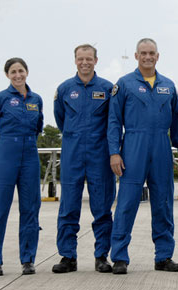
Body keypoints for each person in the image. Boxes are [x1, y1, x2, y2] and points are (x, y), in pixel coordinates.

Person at [108, 38, 178, 274]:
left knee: (163, 202)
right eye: (143, 53)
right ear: (136, 56)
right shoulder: (124, 84)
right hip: (133, 146)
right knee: (126, 203)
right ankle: (120, 257)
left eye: (151, 53)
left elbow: (177, 120)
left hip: (162, 147)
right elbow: (113, 121)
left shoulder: (169, 85)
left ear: (158, 56)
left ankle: (163, 256)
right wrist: (114, 152)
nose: (147, 57)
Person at [52, 44, 116, 274]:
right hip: (73, 154)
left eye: (89, 58)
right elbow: (61, 118)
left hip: (100, 155)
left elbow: (114, 122)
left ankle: (102, 256)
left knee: (102, 207)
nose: (85, 62)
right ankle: (68, 256)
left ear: (96, 60)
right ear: (75, 60)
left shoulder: (108, 89)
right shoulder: (65, 89)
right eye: (81, 59)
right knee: (68, 206)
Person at [0, 58, 43, 276]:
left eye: (21, 71)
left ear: (27, 72)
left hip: (29, 155)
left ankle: (28, 259)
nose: (18, 75)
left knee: (30, 209)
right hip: (6, 155)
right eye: (13, 72)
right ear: (7, 75)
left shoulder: (36, 99)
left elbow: (38, 127)